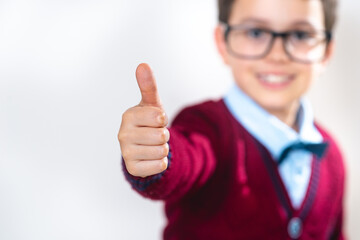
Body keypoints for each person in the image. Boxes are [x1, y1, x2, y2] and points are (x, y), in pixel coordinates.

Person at [118, 0, 346, 239]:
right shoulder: (206, 126)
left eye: (300, 34)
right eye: (255, 32)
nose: (277, 55)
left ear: (327, 52)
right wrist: (157, 152)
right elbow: (184, 158)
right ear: (223, 43)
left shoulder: (332, 157)